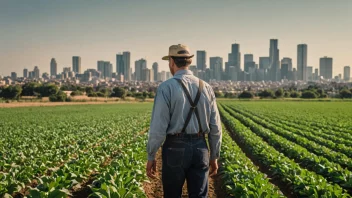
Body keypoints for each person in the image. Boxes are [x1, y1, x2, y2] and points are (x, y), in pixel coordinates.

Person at [146, 44, 222, 198]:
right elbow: (215, 127)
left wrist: (151, 155)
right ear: (189, 62)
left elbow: (158, 128)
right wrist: (214, 155)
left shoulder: (166, 88)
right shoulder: (206, 87)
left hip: (175, 147)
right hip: (201, 148)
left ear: (172, 62)